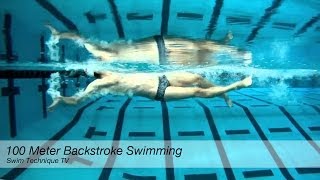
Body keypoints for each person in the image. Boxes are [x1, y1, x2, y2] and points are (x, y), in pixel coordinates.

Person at [45, 25, 252, 66]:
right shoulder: (104, 53)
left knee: (202, 55)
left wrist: (61, 35)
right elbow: (82, 39)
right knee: (200, 46)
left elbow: (83, 39)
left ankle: (230, 50)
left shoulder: (109, 56)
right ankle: (234, 51)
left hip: (163, 57)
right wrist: (60, 35)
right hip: (162, 47)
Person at [47, 70, 252, 111]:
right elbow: (77, 101)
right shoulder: (95, 84)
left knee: (197, 77)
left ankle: (224, 93)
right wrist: (60, 99)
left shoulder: (101, 68)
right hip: (157, 92)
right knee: (197, 91)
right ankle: (237, 86)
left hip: (162, 77)